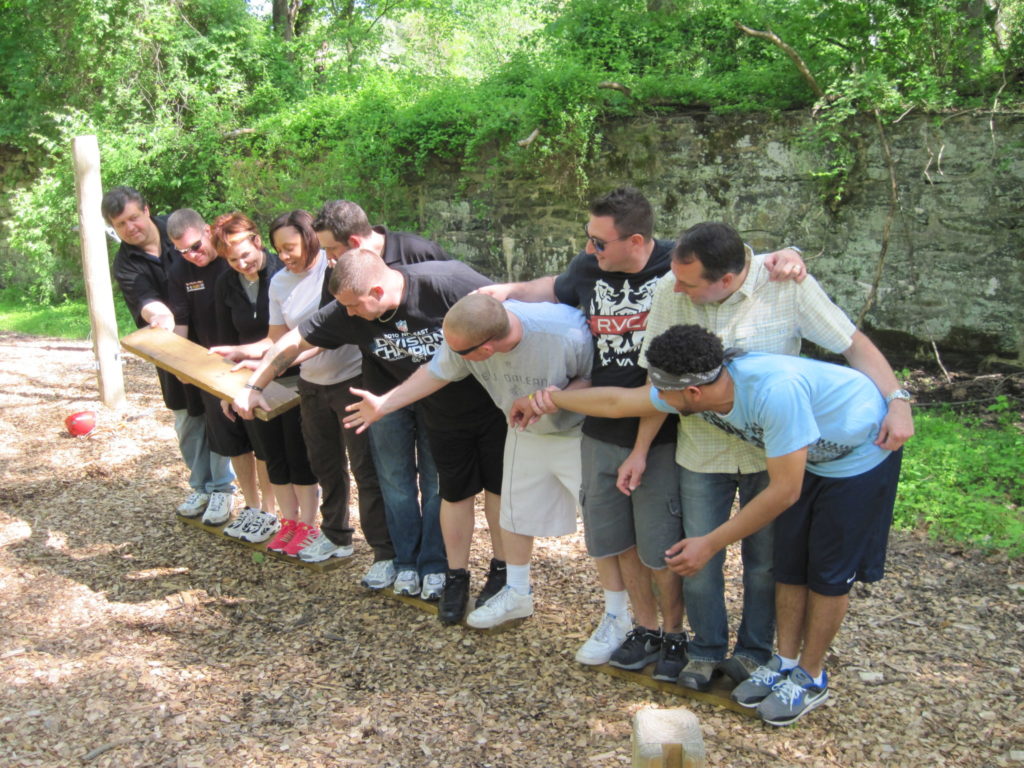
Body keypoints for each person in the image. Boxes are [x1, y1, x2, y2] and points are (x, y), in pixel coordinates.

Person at [477, 188, 807, 675]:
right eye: (588, 240)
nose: (590, 250)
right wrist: (506, 291)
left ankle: (680, 637)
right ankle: (645, 628)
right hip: (600, 428)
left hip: (665, 433)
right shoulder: (589, 266)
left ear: (636, 239)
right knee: (617, 541)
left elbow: (737, 265)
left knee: (662, 546)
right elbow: (555, 286)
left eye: (599, 242)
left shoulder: (679, 270)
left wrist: (791, 253)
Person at [525, 324, 903, 726]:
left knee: (827, 573)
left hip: (863, 453)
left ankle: (811, 677)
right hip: (811, 458)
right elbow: (621, 401)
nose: (659, 401)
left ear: (692, 395)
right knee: (789, 567)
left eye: (664, 395)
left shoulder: (774, 393)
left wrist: (708, 543)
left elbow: (783, 492)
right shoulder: (697, 386)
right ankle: (784, 662)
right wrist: (546, 399)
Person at [234, 247, 507, 609]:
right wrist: (254, 386)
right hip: (384, 400)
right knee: (395, 482)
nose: (347, 315)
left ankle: (437, 568)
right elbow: (295, 340)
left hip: (451, 406)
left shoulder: (447, 283)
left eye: (353, 306)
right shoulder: (350, 306)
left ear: (377, 292)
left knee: (438, 485)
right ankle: (404, 562)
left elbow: (505, 313)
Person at [346, 293, 594, 631]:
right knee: (515, 514)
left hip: (582, 431)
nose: (450, 355)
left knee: (603, 524)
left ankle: (621, 618)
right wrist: (384, 405)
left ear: (485, 352)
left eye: (458, 352)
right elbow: (435, 371)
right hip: (526, 428)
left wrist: (549, 399)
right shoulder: (470, 340)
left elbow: (601, 376)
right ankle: (515, 592)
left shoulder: (565, 334)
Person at [104, 186, 233, 518]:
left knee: (219, 415)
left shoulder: (179, 230)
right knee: (187, 419)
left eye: (134, 217)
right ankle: (200, 487)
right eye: (121, 224)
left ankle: (222, 489)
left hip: (214, 338)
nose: (131, 227)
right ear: (114, 229)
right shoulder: (125, 264)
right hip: (172, 345)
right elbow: (147, 302)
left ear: (147, 210)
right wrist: (161, 317)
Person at [209, 212, 316, 546]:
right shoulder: (226, 284)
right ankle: (286, 522)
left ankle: (308, 526)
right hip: (254, 382)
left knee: (299, 456)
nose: (242, 263)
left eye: (246, 254)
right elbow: (227, 346)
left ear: (257, 241)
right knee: (272, 455)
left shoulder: (284, 272)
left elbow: (284, 338)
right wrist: (229, 390)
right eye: (233, 260)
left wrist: (257, 362)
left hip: (298, 375)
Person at [166, 208, 271, 527]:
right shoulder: (188, 272)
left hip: (257, 366)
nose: (191, 255)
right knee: (231, 441)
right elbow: (181, 325)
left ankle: (270, 509)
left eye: (196, 246)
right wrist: (178, 364)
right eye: (182, 251)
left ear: (208, 231)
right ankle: (250, 506)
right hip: (216, 371)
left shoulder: (247, 266)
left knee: (263, 443)